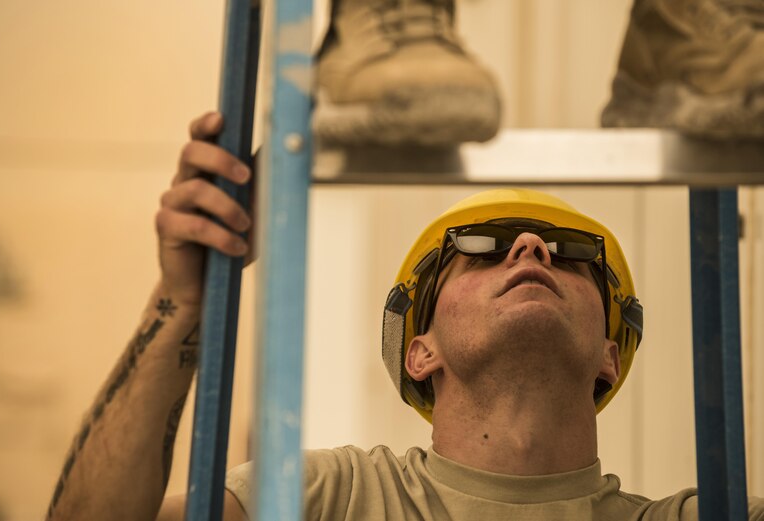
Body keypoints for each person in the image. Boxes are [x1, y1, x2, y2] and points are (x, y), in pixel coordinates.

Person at [45, 111, 762, 521]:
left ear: (609, 351)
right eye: (479, 249)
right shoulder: (326, 499)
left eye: (575, 256)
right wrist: (186, 300)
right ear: (420, 351)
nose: (532, 248)